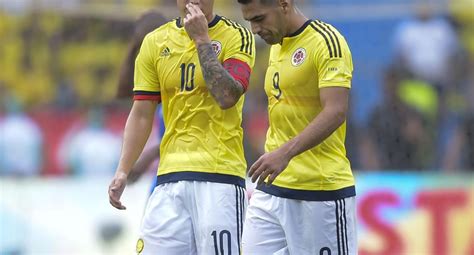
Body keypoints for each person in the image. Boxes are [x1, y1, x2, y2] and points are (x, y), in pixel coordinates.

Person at [108, 0, 255, 254]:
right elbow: (142, 112)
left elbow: (227, 96)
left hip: (219, 178)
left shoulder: (237, 35)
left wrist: (201, 39)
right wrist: (123, 169)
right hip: (169, 180)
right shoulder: (155, 42)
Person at [237, 0, 356, 254]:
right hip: (272, 188)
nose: (255, 29)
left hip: (319, 190)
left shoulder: (327, 41)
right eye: (249, 21)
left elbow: (336, 110)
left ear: (284, 4)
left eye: (259, 19)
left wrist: (285, 153)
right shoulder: (276, 46)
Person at [115, 10, 167, 184]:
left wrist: (148, 157)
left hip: (194, 174)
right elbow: (123, 91)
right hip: (166, 172)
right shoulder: (155, 82)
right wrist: (134, 44)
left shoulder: (179, 77)